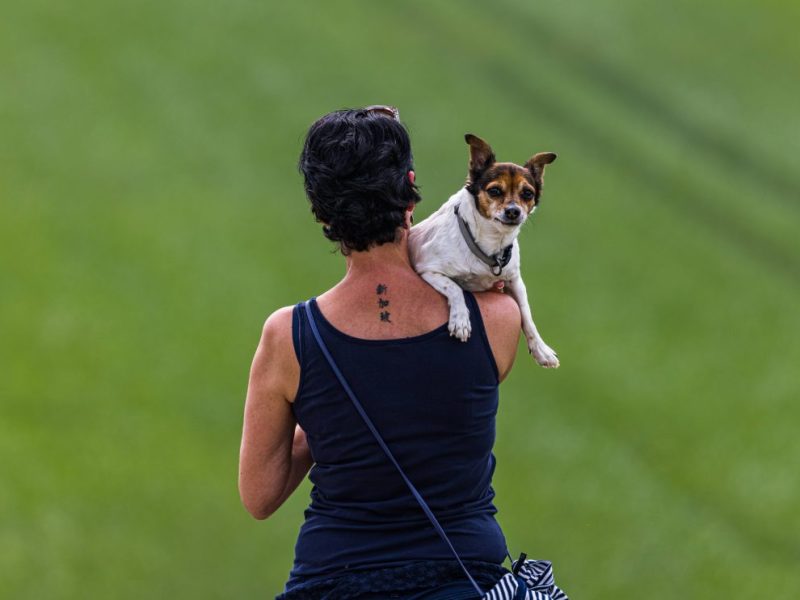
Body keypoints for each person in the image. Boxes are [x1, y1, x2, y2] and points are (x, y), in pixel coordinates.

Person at [238, 107, 523, 599]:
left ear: (322, 213)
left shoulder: (289, 337)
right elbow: (426, 409)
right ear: (411, 188)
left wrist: (325, 418)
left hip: (335, 583)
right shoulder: (497, 320)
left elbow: (260, 496)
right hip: (465, 579)